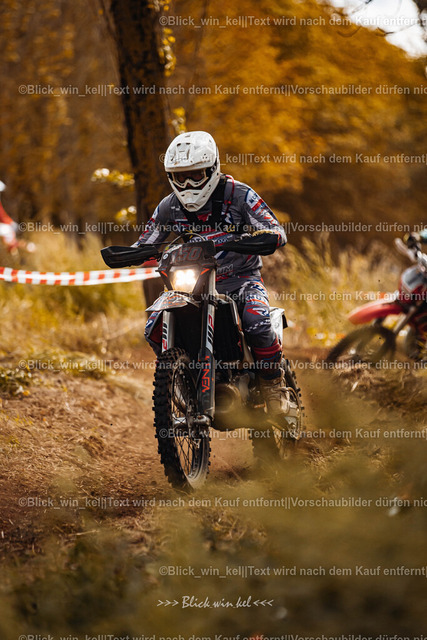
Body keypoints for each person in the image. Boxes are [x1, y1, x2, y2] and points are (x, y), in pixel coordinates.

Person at [135, 131, 289, 420]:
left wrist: (260, 239)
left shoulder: (239, 195)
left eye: (196, 175)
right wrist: (130, 254)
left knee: (257, 321)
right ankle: (181, 379)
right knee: (153, 327)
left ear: (212, 168)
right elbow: (146, 242)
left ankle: (273, 384)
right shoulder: (169, 206)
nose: (188, 184)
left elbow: (275, 230)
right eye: (180, 177)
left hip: (241, 280)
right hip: (190, 285)